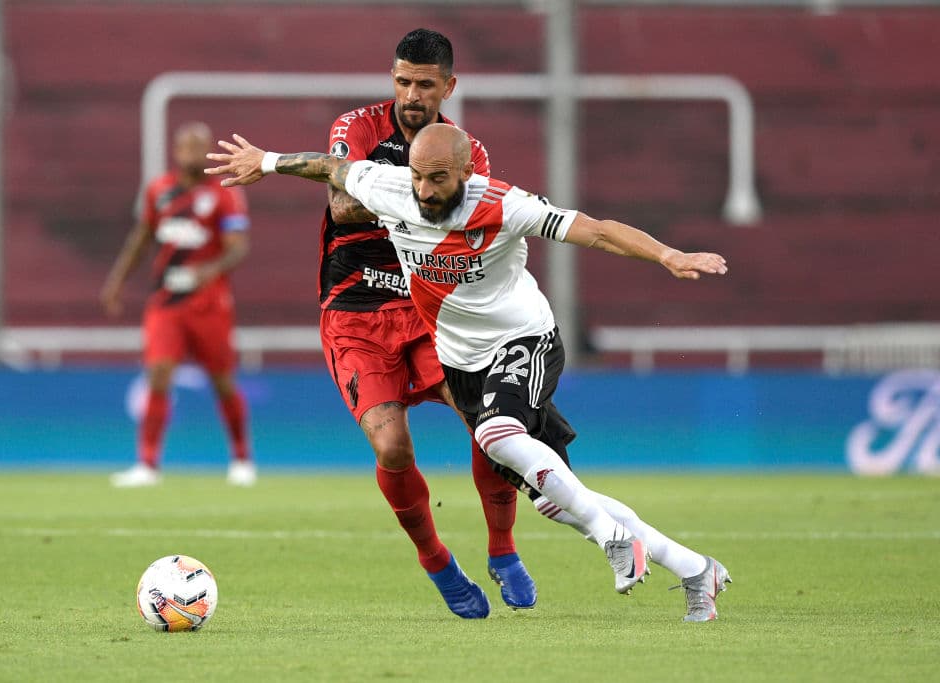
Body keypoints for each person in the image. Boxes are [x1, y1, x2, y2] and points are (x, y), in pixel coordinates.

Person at [205, 123, 733, 622]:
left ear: (465, 173)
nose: (425, 190)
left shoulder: (504, 204)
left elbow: (596, 231)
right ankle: (696, 570)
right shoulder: (388, 187)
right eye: (417, 175)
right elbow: (328, 168)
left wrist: (668, 255)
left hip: (524, 343)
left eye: (438, 178)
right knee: (556, 497)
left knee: (495, 434)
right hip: (462, 363)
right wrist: (267, 161)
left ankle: (612, 537)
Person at [299, 28, 549, 619]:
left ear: (448, 87)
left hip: (430, 312)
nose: (412, 94)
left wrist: (390, 192)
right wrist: (428, 195)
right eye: (403, 80)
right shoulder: (356, 127)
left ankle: (503, 548)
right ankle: (436, 559)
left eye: (425, 84)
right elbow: (341, 203)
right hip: (354, 310)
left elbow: (471, 223)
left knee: (490, 427)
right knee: (391, 447)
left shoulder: (469, 150)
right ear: (393, 78)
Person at [101, 121, 257, 488]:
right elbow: (141, 238)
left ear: (207, 151)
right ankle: (147, 464)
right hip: (166, 302)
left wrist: (210, 270)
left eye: (197, 145)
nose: (190, 151)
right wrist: (116, 282)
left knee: (222, 381)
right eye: (184, 145)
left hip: (209, 303)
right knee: (158, 375)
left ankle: (241, 458)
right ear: (175, 150)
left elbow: (238, 247)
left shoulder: (225, 192)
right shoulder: (159, 191)